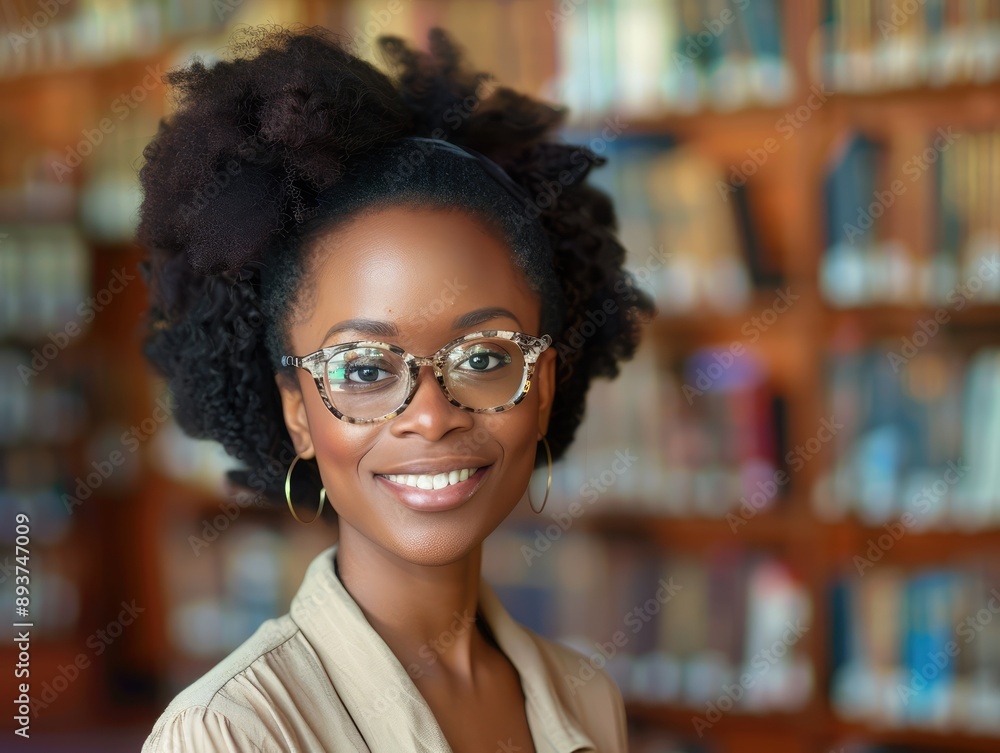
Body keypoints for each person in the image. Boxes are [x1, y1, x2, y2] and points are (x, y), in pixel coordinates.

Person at [137, 22, 654, 753]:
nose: (432, 415)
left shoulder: (588, 700)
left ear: (543, 387)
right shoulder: (229, 733)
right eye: (364, 370)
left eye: (481, 357)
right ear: (299, 416)